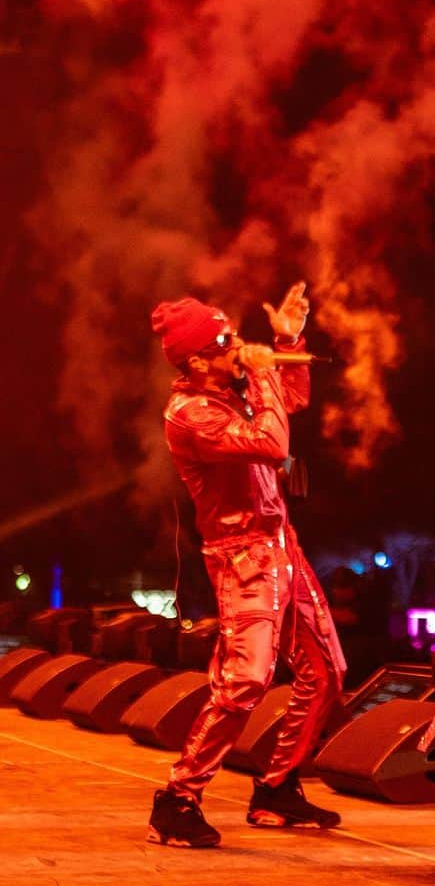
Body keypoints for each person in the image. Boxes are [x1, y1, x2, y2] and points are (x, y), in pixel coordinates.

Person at [146, 282, 346, 848]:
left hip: (282, 544)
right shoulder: (190, 415)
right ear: (196, 360)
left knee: (327, 671)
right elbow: (273, 441)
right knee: (245, 681)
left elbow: (294, 401)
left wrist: (287, 340)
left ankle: (277, 788)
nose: (238, 347)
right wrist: (261, 373)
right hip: (242, 559)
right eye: (226, 341)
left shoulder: (229, 391)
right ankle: (179, 797)